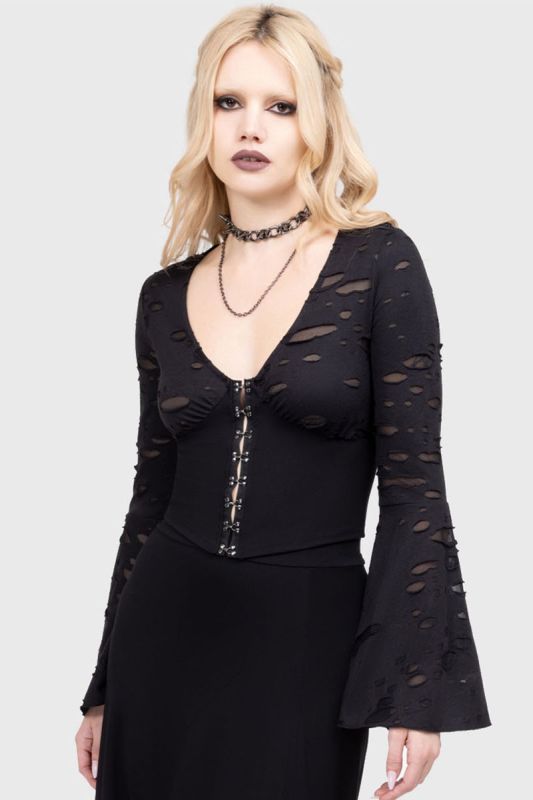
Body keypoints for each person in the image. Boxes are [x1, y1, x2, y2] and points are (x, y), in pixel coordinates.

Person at [74, 5, 491, 799]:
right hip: (160, 631)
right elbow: (149, 499)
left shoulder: (380, 264)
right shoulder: (163, 296)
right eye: (228, 102)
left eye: (281, 105)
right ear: (203, 118)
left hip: (306, 638)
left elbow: (414, 491)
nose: (249, 127)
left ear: (316, 125)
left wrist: (414, 688)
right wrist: (101, 687)